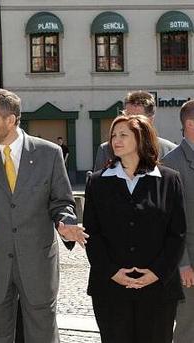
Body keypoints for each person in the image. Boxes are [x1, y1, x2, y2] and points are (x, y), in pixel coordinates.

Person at [0, 89, 87, 343]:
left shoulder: (49, 154)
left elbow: (62, 202)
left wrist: (65, 222)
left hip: (38, 263)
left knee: (42, 336)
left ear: (10, 120)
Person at [84, 114, 186, 343]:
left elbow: (177, 233)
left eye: (123, 135)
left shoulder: (169, 180)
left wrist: (156, 273)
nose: (115, 140)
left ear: (142, 139)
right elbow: (92, 234)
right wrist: (112, 272)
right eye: (113, 135)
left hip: (158, 290)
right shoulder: (97, 182)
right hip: (111, 288)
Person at [162, 100, 194, 343]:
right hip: (189, 264)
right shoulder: (172, 163)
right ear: (190, 124)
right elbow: (171, 220)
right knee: (187, 325)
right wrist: (182, 264)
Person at [94, 90, 176, 170]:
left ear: (150, 119)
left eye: (137, 117)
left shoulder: (169, 150)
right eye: (127, 115)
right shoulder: (106, 150)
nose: (130, 121)